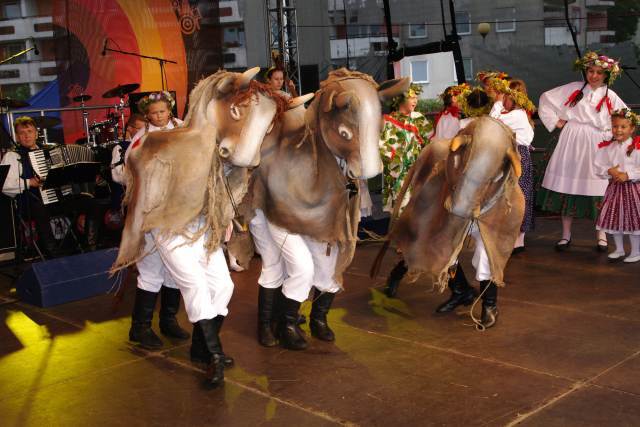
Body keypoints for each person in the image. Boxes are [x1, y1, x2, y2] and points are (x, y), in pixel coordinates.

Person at [115, 92, 190, 350]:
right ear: (147, 115)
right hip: (151, 211)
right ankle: (140, 327)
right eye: (154, 113)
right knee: (151, 268)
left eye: (163, 111)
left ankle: (168, 320)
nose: (159, 116)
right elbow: (129, 170)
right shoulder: (142, 137)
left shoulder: (182, 127)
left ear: (170, 110)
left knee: (174, 269)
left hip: (177, 210)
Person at [537, 51, 627, 252]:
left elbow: (625, 117)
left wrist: (615, 135)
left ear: (607, 75)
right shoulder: (574, 88)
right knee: (567, 186)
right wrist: (556, 121)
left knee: (600, 189)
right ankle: (566, 235)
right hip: (572, 140)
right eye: (590, 71)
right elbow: (546, 98)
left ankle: (601, 235)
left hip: (597, 143)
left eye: (599, 72)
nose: (594, 75)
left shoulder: (610, 96)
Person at [1, 117, 99, 257]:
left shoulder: (51, 150)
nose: (27, 135)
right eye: (22, 133)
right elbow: (4, 184)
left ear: (36, 133)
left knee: (90, 202)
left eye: (30, 131)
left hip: (59, 199)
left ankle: (90, 247)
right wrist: (29, 182)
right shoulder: (13, 156)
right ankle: (53, 254)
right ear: (17, 137)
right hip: (30, 204)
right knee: (39, 207)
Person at [489, 79, 535, 253]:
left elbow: (493, 123)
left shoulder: (517, 115)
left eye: (505, 96)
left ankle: (518, 238)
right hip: (510, 154)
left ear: (512, 97)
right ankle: (512, 237)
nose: (502, 99)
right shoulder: (514, 113)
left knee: (518, 195)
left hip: (517, 156)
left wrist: (497, 103)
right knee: (509, 195)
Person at [594, 108, 640, 263]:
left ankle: (635, 251)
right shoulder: (608, 147)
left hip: (633, 189)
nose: (618, 130)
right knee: (614, 218)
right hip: (615, 190)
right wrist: (609, 171)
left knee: (633, 220)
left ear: (632, 129)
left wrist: (628, 175)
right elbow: (598, 166)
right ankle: (619, 249)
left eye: (623, 127)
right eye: (615, 126)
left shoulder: (637, 147)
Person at [379, 83, 431, 213]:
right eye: (412, 97)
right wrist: (395, 160)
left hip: (417, 170)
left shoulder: (418, 118)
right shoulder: (388, 121)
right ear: (400, 99)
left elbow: (429, 141)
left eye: (416, 97)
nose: (415, 100)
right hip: (398, 172)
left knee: (418, 207)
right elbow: (382, 146)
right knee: (401, 206)